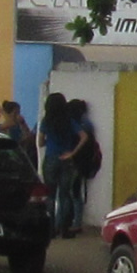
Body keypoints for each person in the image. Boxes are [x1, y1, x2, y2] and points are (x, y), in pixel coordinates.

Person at [42, 92, 99, 236]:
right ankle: (63, 228)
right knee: (65, 195)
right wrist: (72, 153)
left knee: (50, 195)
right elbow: (84, 136)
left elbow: (40, 142)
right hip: (67, 160)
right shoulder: (69, 121)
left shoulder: (46, 121)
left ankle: (50, 228)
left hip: (50, 158)